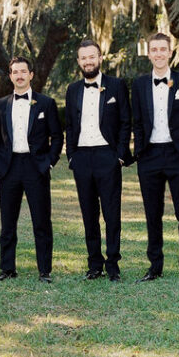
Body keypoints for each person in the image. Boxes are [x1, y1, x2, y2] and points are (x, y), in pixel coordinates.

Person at [130, 33, 179, 282]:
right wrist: (139, 150)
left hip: (177, 154)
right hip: (149, 156)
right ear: (148, 54)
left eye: (163, 49)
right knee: (152, 213)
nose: (159, 54)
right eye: (154, 50)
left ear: (170, 52)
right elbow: (137, 121)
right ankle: (155, 266)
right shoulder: (138, 84)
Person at [0, 57, 63, 283]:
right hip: (9, 169)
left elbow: (57, 136)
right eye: (15, 72)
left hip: (36, 167)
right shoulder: (1, 104)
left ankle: (44, 271)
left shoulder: (45, 103)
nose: (19, 76)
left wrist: (49, 161)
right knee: (7, 222)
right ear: (10, 76)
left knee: (41, 221)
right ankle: (7, 269)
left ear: (31, 74)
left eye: (23, 71)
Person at [65, 39, 132, 282]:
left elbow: (126, 121)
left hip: (108, 157)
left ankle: (113, 265)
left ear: (100, 57)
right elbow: (70, 125)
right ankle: (94, 264)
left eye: (92, 56)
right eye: (83, 58)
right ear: (79, 61)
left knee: (112, 213)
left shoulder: (116, 86)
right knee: (89, 214)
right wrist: (71, 155)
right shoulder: (73, 89)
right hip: (82, 158)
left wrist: (121, 156)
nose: (88, 61)